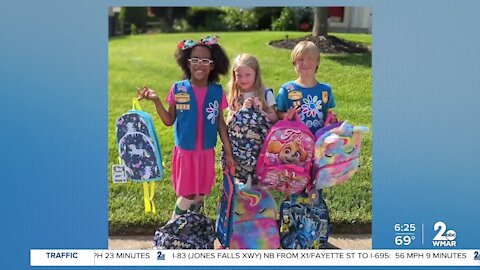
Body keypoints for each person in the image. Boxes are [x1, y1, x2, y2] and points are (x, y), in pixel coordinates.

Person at [138, 35, 234, 218]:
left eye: (205, 60)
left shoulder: (216, 91)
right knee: (188, 194)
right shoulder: (178, 89)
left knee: (200, 194)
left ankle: (192, 228)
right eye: (195, 59)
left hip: (206, 152)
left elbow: (221, 123)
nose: (199, 64)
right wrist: (156, 100)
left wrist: (228, 152)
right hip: (186, 153)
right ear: (188, 64)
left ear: (212, 65)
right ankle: (173, 225)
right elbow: (168, 120)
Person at [225, 54, 277, 185]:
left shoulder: (266, 94)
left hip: (260, 150)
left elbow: (275, 119)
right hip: (238, 151)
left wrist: (261, 110)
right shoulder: (235, 96)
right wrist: (240, 110)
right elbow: (228, 123)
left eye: (247, 75)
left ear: (256, 74)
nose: (243, 79)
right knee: (240, 185)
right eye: (239, 75)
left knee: (258, 184)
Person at [276, 41, 337, 135]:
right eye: (300, 59)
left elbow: (327, 112)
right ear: (294, 63)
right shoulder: (286, 90)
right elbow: (277, 114)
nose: (305, 62)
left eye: (310, 58)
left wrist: (331, 119)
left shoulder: (325, 90)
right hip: (295, 140)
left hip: (319, 140)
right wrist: (287, 115)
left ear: (317, 62)